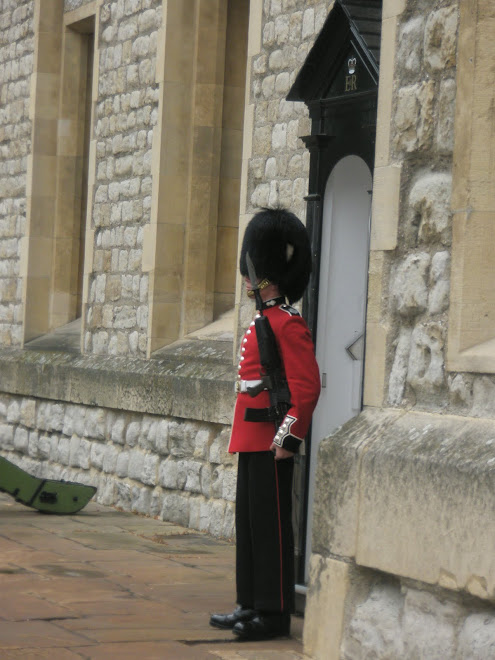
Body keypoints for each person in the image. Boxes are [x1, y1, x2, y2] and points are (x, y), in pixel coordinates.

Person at [210, 207, 321, 641]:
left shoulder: (287, 324)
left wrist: (287, 439)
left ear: (261, 275)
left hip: (271, 440)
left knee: (273, 529)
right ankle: (249, 603)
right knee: (252, 526)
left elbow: (306, 389)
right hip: (251, 438)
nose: (244, 280)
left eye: (248, 272)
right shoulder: (263, 320)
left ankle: (274, 615)